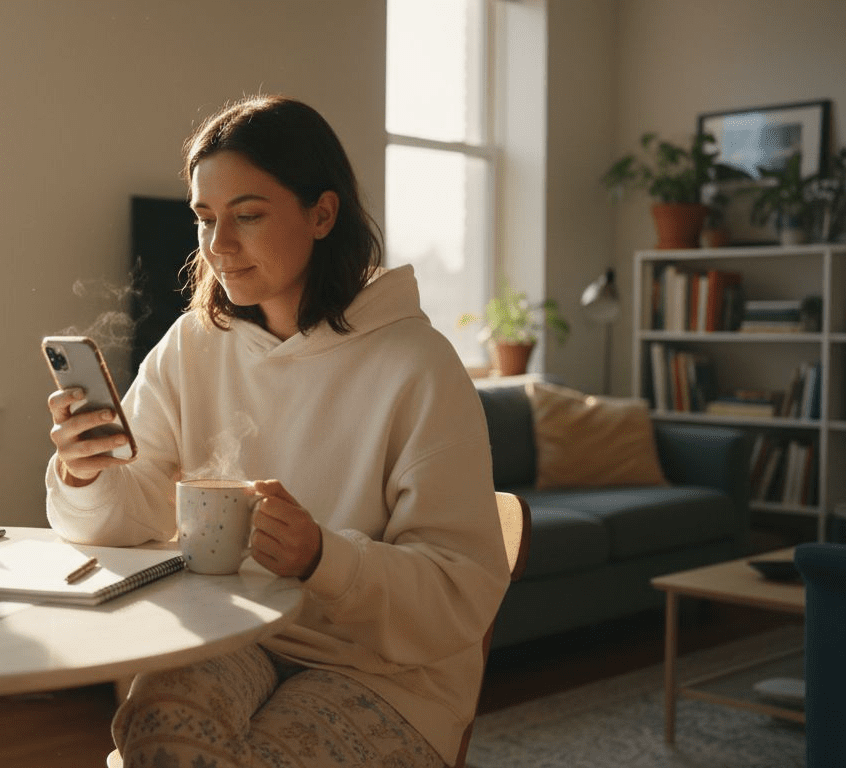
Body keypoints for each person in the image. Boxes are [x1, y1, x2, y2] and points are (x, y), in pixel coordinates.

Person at [44, 94, 509, 768]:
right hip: (235, 632)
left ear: (323, 214)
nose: (218, 245)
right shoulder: (195, 344)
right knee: (155, 734)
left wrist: (325, 556)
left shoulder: (417, 366)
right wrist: (87, 473)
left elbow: (457, 594)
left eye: (248, 216)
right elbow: (133, 512)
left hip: (384, 673)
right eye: (205, 218)